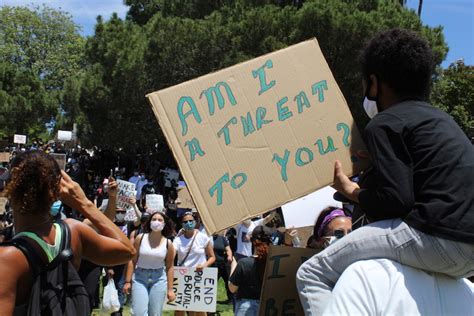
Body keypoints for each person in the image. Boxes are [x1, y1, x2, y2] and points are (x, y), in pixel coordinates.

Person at [296, 28, 474, 315]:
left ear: (374, 83)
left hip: (435, 237)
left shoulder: (385, 122)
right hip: (468, 252)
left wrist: (351, 190)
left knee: (313, 273)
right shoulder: (442, 120)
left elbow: (397, 201)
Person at [0, 151, 135, 314]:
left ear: (10, 187)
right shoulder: (74, 232)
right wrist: (84, 204)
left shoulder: (7, 258)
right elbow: (127, 250)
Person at [123, 211, 176, 316]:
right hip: (139, 278)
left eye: (160, 220)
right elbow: (132, 261)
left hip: (159, 279)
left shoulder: (168, 244)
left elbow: (170, 267)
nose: (157, 222)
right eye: (154, 219)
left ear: (164, 224)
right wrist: (127, 281)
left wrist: (170, 289)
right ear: (149, 222)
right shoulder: (140, 238)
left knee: (155, 313)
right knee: (138, 312)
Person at [173, 212, 216, 316]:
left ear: (195, 222)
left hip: (199, 276)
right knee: (179, 308)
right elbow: (172, 254)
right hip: (183, 276)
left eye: (190, 221)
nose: (188, 223)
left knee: (199, 308)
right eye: (185, 222)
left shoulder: (203, 237)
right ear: (182, 224)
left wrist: (204, 265)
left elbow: (212, 257)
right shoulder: (178, 240)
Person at [229, 225, 273, 315]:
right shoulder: (274, 264)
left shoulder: (243, 263)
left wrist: (233, 266)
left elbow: (232, 288)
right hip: (267, 307)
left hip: (244, 308)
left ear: (252, 241)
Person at [211, 230, 233, 304]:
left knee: (228, 281)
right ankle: (210, 299)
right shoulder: (208, 239)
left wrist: (229, 256)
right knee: (212, 283)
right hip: (213, 265)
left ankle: (231, 299)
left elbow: (228, 249)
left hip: (224, 264)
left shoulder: (222, 238)